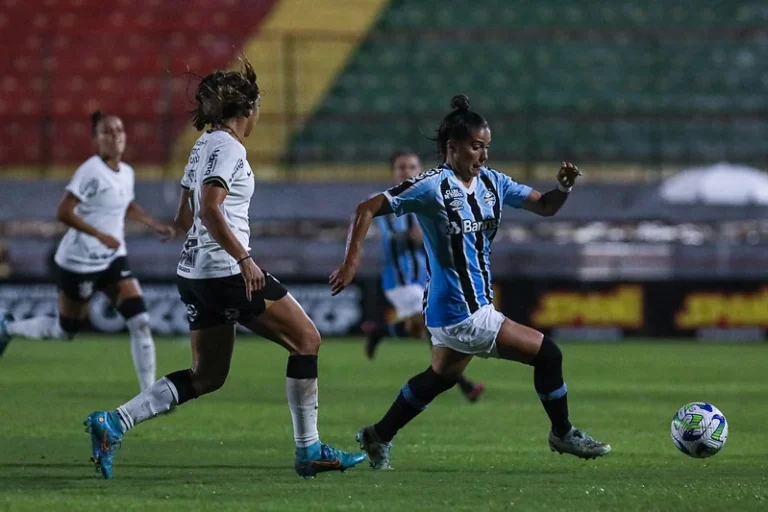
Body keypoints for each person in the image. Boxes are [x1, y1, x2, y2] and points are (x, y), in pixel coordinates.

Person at [83, 59, 366, 480]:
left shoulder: (202, 144)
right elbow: (212, 208)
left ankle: (115, 422)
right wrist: (244, 258)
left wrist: (179, 227)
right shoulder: (229, 148)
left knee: (207, 375)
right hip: (224, 270)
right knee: (306, 338)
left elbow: (188, 209)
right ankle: (309, 451)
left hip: (195, 273)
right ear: (246, 110)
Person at [330, 95, 611, 469]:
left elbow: (545, 205)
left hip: (461, 306)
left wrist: (563, 188)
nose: (484, 156)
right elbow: (366, 208)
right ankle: (562, 432)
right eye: (477, 147)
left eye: (487, 148)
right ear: (453, 148)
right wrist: (351, 263)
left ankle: (377, 435)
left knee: (440, 378)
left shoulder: (493, 183)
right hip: (460, 311)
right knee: (549, 355)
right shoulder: (430, 186)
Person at [0, 112, 175, 392]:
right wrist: (99, 234)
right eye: (107, 132)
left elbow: (125, 204)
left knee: (140, 321)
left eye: (119, 130)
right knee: (65, 330)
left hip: (112, 259)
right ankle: (7, 328)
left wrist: (153, 223)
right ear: (97, 140)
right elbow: (63, 212)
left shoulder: (127, 172)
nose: (115, 135)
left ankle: (148, 395)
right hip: (78, 262)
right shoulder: (90, 171)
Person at [363, 150, 485, 402]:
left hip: (425, 279)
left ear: (420, 171)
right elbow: (387, 231)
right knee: (433, 328)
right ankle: (461, 383)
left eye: (412, 167)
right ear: (393, 172)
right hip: (400, 280)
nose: (407, 171)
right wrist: (410, 235)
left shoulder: (430, 199)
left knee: (418, 328)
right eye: (401, 167)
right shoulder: (380, 200)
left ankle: (380, 332)